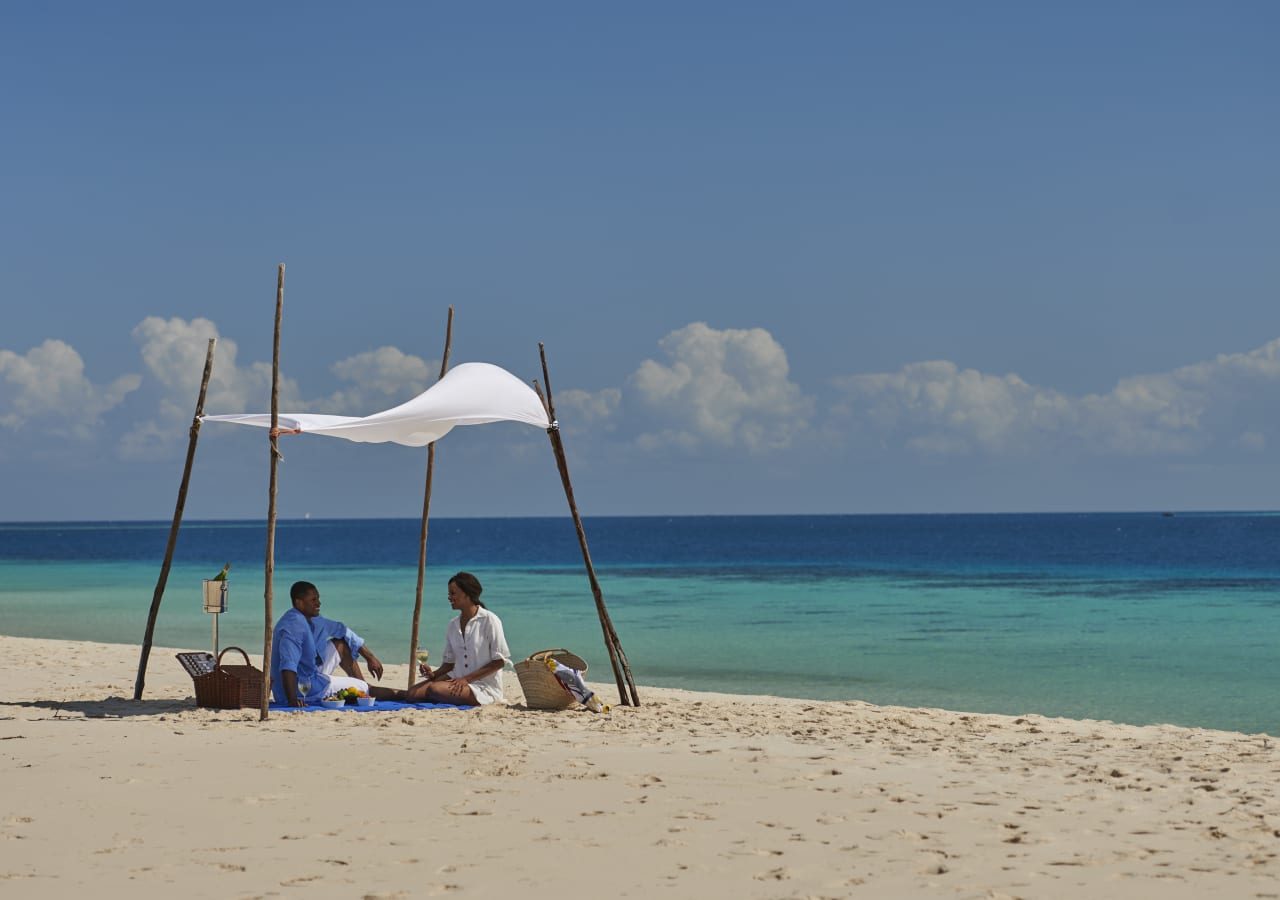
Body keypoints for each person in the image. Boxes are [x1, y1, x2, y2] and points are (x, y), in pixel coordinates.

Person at [270, 581, 404, 706]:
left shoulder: (314, 620)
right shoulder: (294, 625)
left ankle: (363, 691)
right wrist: (292, 700)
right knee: (364, 687)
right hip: (301, 688)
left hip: (309, 672)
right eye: (313, 600)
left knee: (340, 644)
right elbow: (288, 665)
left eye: (318, 598)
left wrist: (370, 657)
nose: (319, 603)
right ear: (299, 603)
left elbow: (342, 630)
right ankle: (398, 694)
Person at [408, 572, 510, 706]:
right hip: (457, 679)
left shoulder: (490, 620)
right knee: (412, 694)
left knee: (435, 689)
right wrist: (433, 674)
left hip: (484, 687)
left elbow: (499, 662)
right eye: (449, 593)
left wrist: (466, 679)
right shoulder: (453, 624)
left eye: (453, 593)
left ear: (467, 594)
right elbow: (449, 664)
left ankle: (442, 694)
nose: (449, 597)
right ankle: (444, 695)